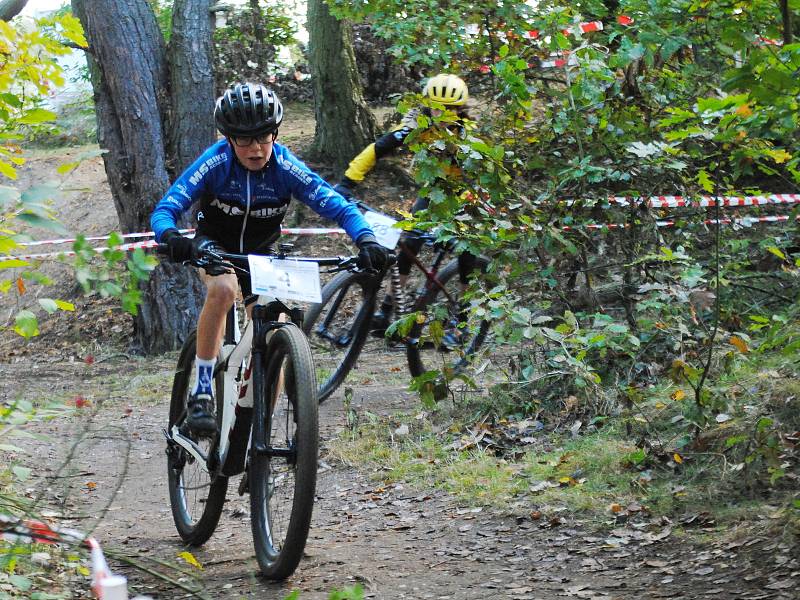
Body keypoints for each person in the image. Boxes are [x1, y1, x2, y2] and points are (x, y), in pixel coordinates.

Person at [151, 82, 391, 435]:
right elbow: (166, 209)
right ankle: (202, 392)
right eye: (244, 140)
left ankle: (258, 430)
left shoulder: (284, 166)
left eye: (263, 137)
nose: (256, 148)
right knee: (222, 290)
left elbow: (337, 206)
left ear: (275, 134)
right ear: (230, 139)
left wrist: (366, 239)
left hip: (262, 254)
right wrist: (173, 238)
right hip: (216, 247)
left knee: (275, 328)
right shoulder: (216, 162)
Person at [333, 73, 477, 338]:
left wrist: (454, 228)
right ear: (428, 104)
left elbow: (478, 176)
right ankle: (386, 310)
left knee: (467, 251)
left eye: (450, 109)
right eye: (437, 107)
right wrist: (347, 182)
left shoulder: (467, 133)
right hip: (433, 192)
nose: (443, 113)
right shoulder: (416, 126)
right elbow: (376, 149)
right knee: (408, 243)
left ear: (460, 109)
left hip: (465, 194)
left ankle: (463, 322)